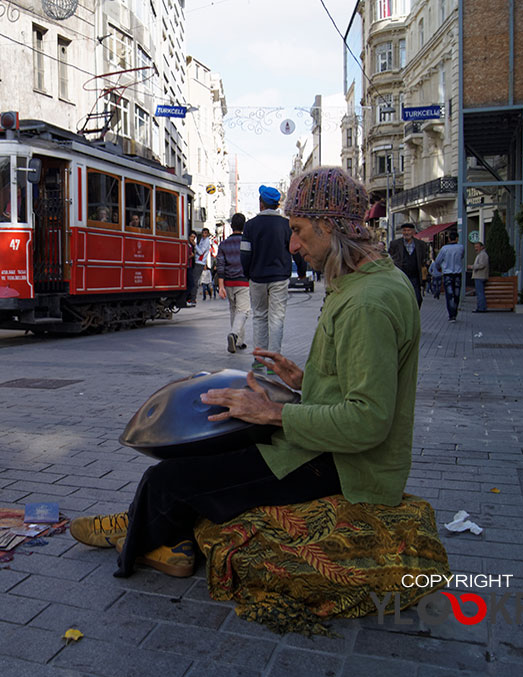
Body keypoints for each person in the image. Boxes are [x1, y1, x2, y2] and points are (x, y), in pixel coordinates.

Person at [69, 167, 421, 579]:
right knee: (219, 441)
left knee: (170, 479)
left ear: (328, 226)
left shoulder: (366, 303)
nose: (292, 244)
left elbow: (368, 421)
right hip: (331, 450)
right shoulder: (368, 284)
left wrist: (273, 413)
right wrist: (306, 382)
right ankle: (161, 529)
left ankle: (142, 532)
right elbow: (363, 385)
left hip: (346, 470)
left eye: (299, 229)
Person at [240, 185, 292, 366]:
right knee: (277, 318)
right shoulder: (286, 225)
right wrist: (300, 271)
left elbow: (245, 253)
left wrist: (248, 272)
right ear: (277, 205)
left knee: (260, 316)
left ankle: (259, 359)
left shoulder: (250, 225)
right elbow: (295, 250)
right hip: (280, 277)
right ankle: (274, 362)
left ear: (261, 204)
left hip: (257, 277)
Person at [217, 214, 250, 353]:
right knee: (243, 311)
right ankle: (234, 335)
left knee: (234, 310)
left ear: (231, 226)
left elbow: (220, 265)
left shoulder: (223, 244)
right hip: (243, 281)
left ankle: (239, 341)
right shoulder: (247, 242)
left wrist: (221, 286)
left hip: (229, 282)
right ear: (244, 226)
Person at [388, 223, 430, 307]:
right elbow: (390, 258)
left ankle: (414, 315)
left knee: (418, 298)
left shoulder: (421, 244)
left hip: (415, 276)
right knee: (401, 298)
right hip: (400, 276)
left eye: (409, 230)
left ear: (413, 231)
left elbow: (424, 258)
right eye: (404, 230)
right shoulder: (395, 244)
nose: (406, 233)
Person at [430, 231, 465, 321]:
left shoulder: (444, 249)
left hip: (447, 274)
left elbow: (437, 261)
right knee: (457, 293)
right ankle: (455, 311)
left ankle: (451, 314)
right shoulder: (461, 247)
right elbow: (462, 256)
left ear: (449, 239)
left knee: (449, 294)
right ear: (457, 238)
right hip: (457, 273)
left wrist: (439, 268)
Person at [469, 241, 489, 312]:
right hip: (479, 276)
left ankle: (481, 308)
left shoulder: (483, 255)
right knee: (479, 292)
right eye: (475, 247)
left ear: (482, 247)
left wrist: (472, 267)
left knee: (480, 293)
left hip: (480, 276)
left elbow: (482, 265)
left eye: (477, 247)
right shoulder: (480, 254)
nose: (475, 249)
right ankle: (480, 307)